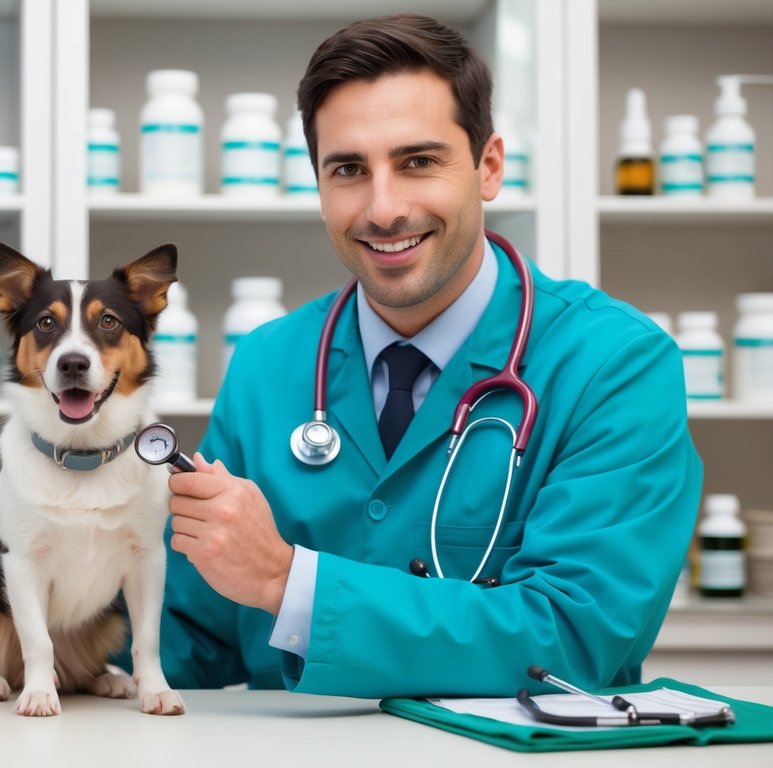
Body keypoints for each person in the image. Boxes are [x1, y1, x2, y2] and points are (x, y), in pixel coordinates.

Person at [159, 14, 701, 698]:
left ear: (488, 167)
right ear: (319, 187)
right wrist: (29, 621)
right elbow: (191, 636)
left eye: (417, 162)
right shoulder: (268, 363)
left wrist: (284, 581)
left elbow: (572, 637)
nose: (383, 209)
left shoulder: (615, 364)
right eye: (349, 169)